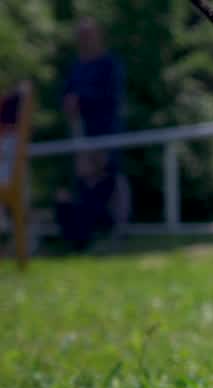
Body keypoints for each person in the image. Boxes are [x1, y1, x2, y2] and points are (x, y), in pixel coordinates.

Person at [56, 17, 125, 251]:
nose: (85, 40)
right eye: (81, 36)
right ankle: (78, 240)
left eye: (89, 35)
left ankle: (105, 233)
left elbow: (110, 100)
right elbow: (66, 98)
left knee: (102, 186)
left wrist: (82, 101)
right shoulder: (75, 67)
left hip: (104, 138)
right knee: (78, 189)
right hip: (80, 139)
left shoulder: (109, 65)